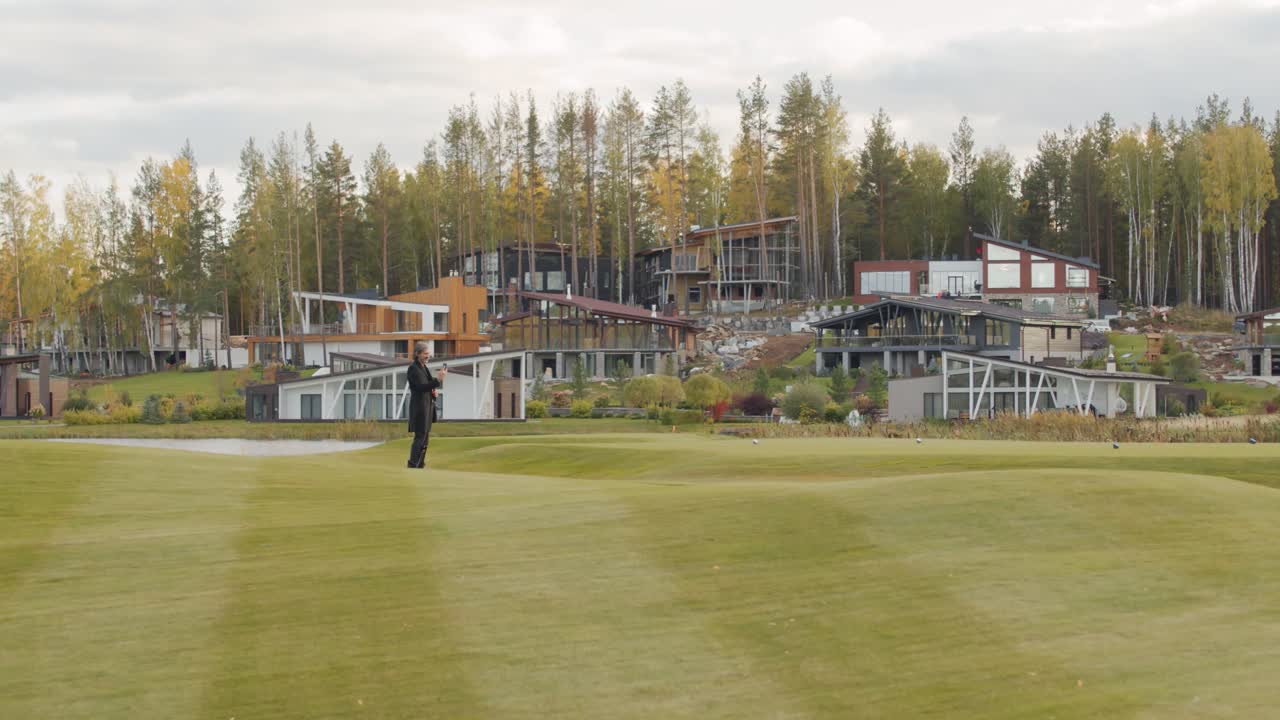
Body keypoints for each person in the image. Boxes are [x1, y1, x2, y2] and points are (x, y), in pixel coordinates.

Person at [406, 342, 446, 469]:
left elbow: (428, 386)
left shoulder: (423, 367)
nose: (428, 356)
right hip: (419, 408)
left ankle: (420, 464)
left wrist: (434, 391)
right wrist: (438, 380)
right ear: (417, 354)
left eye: (428, 354)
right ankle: (413, 464)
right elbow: (421, 387)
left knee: (425, 437)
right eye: (425, 354)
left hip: (427, 407)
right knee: (420, 436)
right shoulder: (413, 368)